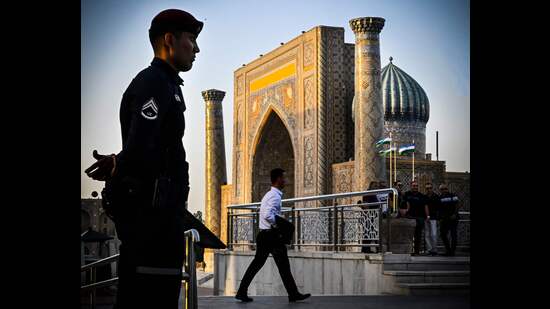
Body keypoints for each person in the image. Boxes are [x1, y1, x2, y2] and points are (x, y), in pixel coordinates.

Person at [84, 9, 203, 309]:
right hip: (153, 223)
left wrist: (117, 161)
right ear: (169, 40)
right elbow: (142, 147)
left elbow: (150, 146)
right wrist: (122, 163)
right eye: (191, 39)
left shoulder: (168, 85)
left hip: (162, 217)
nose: (197, 49)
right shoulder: (154, 84)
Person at [235, 168, 311, 303]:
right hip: (270, 236)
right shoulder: (275, 196)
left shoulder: (270, 195)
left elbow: (267, 214)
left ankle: (242, 291)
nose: (285, 181)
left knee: (261, 265)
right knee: (282, 265)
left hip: (265, 235)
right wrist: (279, 225)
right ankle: (293, 294)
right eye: (283, 178)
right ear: (278, 179)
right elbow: (267, 215)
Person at [403, 181, 429, 256]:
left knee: (418, 235)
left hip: (419, 218)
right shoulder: (407, 194)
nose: (415, 187)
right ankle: (409, 251)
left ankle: (417, 251)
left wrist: (427, 216)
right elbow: (404, 203)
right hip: (410, 217)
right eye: (414, 186)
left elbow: (425, 206)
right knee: (409, 235)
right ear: (411, 186)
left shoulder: (421, 196)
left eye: (416, 186)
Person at [438, 184, 460, 256]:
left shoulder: (452, 195)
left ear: (447, 189)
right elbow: (439, 209)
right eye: (441, 189)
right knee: (443, 234)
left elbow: (457, 205)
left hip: (453, 218)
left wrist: (455, 214)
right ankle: (448, 250)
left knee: (453, 235)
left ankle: (452, 251)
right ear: (440, 190)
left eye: (445, 189)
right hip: (444, 219)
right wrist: (440, 218)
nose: (443, 190)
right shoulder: (440, 197)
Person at [361, 181, 380, 253]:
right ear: (371, 186)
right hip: (369, 216)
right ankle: (366, 250)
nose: (376, 187)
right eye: (375, 186)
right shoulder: (368, 193)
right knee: (367, 233)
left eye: (377, 186)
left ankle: (370, 249)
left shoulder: (375, 194)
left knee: (372, 233)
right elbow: (366, 205)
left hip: (374, 216)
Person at [424, 183, 440, 256]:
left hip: (433, 218)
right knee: (427, 234)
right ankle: (429, 249)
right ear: (425, 189)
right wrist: (427, 216)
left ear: (432, 188)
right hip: (426, 218)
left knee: (433, 234)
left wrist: (438, 217)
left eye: (430, 188)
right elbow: (425, 206)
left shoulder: (436, 196)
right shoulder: (425, 197)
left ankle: (434, 249)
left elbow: (438, 208)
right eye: (427, 188)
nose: (429, 189)